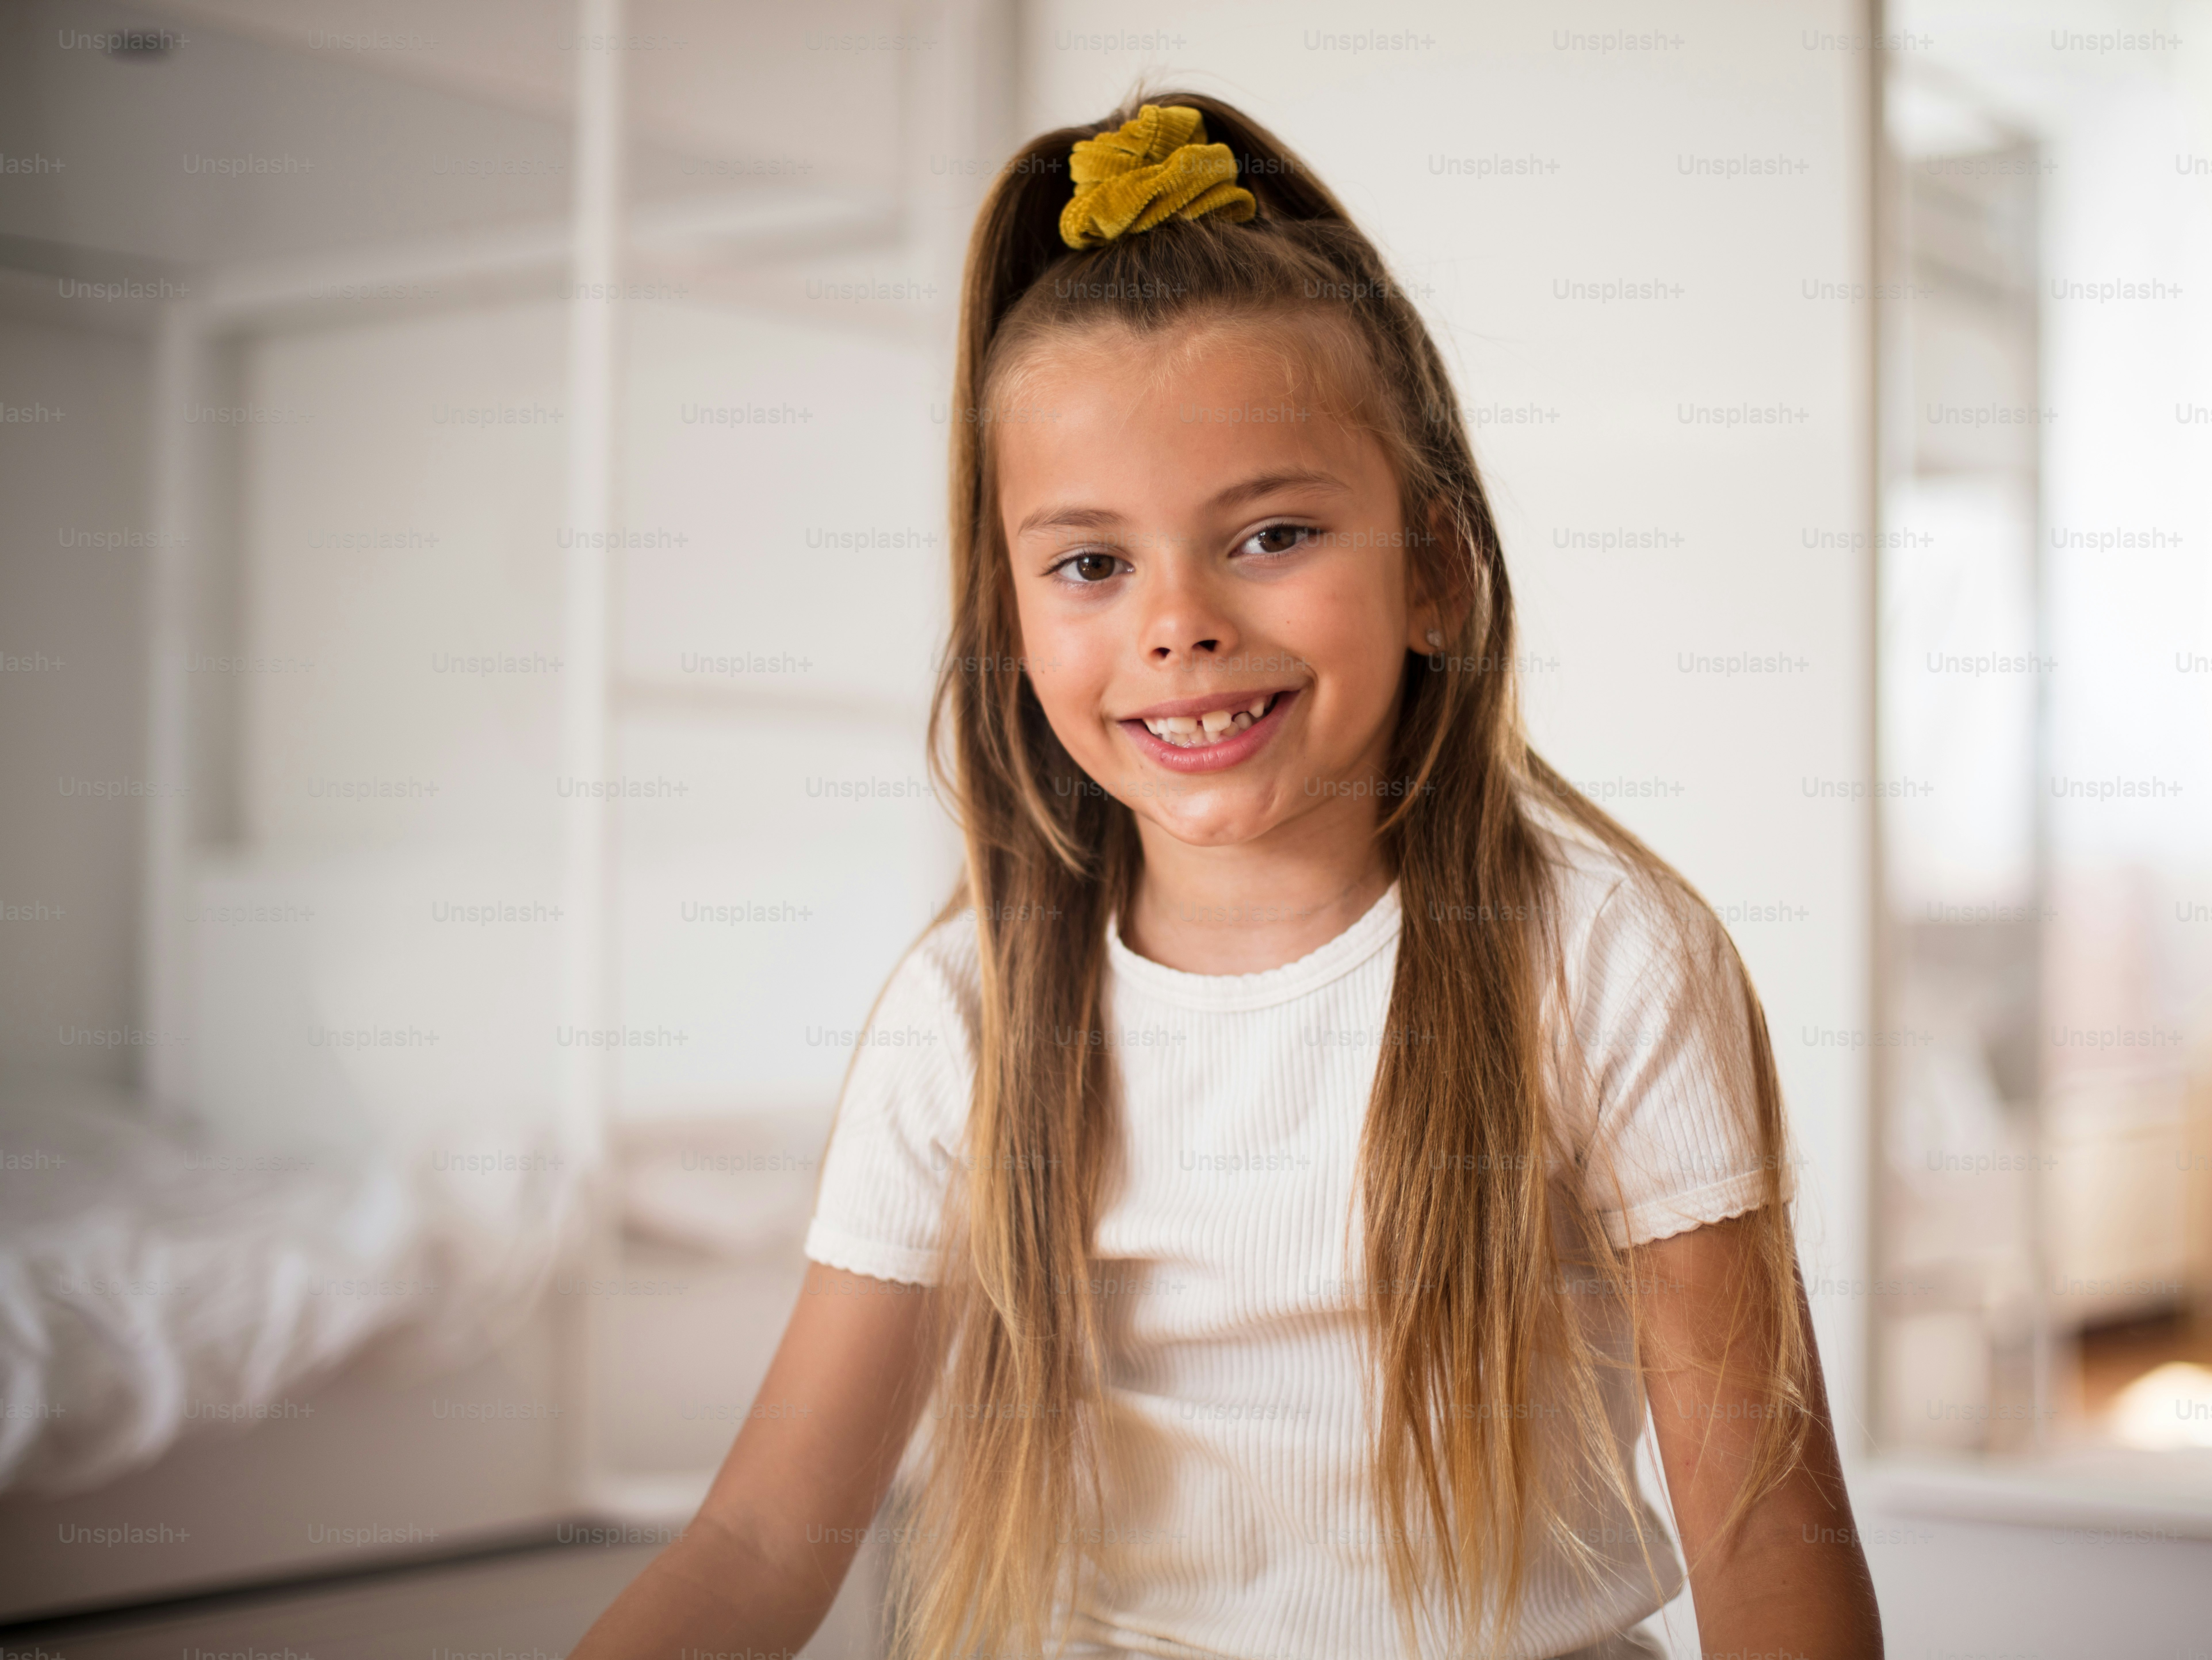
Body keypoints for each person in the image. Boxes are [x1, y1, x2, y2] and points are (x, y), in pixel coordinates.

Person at [575, 93, 1882, 1660]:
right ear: (1010, 620)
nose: (1177, 623)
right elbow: (752, 1544)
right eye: (1091, 564)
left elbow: (1771, 1537)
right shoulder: (966, 1016)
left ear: (1438, 571)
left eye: (1270, 535)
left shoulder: (1607, 958)